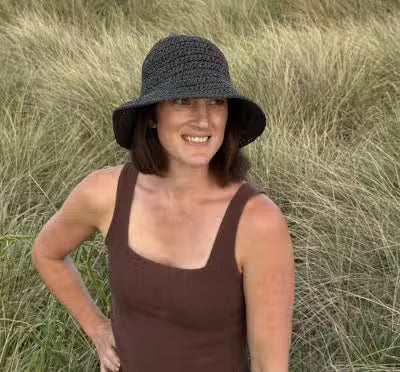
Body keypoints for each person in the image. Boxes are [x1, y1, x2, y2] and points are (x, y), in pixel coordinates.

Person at [32, 34, 295, 372]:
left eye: (216, 101)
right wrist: (96, 328)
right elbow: (47, 252)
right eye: (183, 100)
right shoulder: (106, 193)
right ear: (153, 115)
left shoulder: (257, 222)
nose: (204, 119)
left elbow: (269, 365)